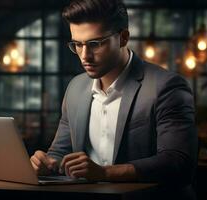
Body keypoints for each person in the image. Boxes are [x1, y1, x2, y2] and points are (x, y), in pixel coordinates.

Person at [30, 0, 197, 198]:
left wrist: (104, 173)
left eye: (94, 44)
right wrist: (46, 163)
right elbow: (60, 153)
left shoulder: (166, 86)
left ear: (123, 38)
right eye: (77, 44)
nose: (85, 56)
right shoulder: (75, 87)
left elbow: (178, 163)